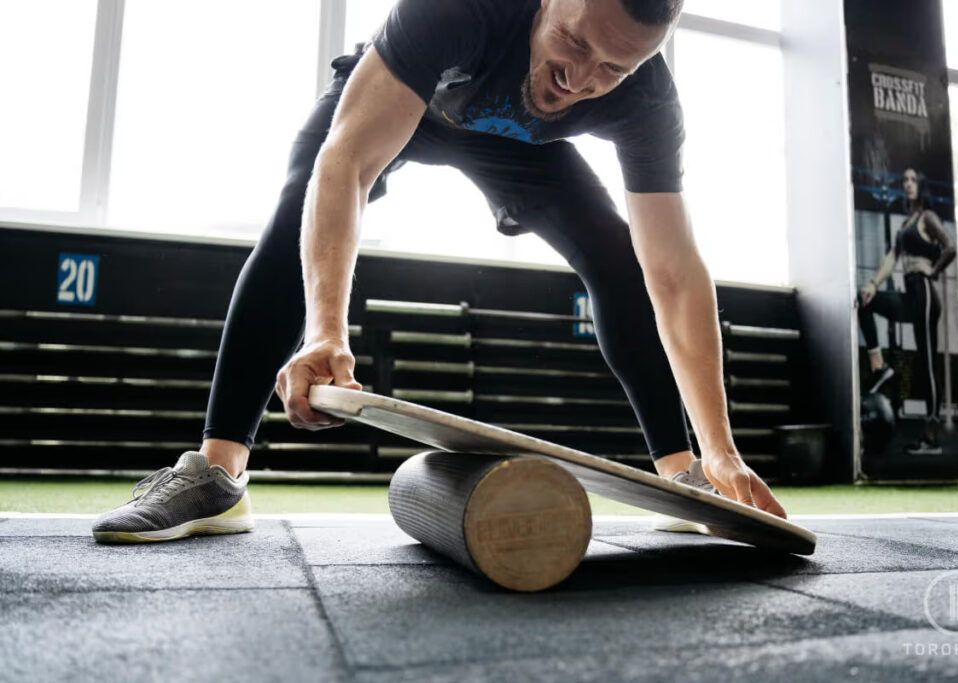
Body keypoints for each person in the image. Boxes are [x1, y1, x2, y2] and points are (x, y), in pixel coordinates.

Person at [92, 0, 787, 544]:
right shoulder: (459, 8)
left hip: (524, 145)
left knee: (621, 260)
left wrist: (723, 447)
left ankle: (687, 476)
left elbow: (672, 269)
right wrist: (326, 330)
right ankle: (218, 472)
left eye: (615, 68)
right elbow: (349, 164)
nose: (583, 80)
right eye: (576, 44)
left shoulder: (647, 100)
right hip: (408, 98)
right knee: (300, 201)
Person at [857, 167, 957, 455]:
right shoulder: (904, 226)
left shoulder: (927, 217)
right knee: (866, 301)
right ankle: (880, 367)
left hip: (924, 292)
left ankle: (931, 436)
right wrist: (874, 284)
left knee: (926, 363)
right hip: (908, 293)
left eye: (914, 180)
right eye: (905, 181)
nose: (908, 184)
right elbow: (892, 257)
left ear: (921, 186)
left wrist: (934, 271)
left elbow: (950, 246)